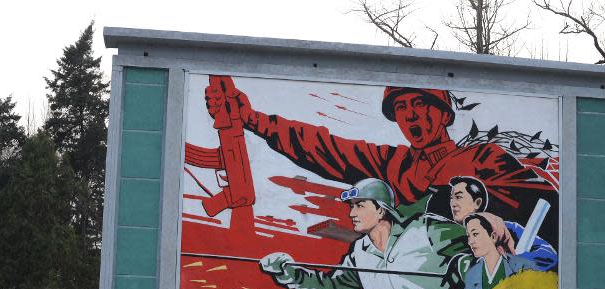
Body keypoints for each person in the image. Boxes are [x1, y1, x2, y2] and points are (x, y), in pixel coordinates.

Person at [204, 81, 554, 218]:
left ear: (445, 114)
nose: (411, 114)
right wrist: (252, 119)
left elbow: (543, 205)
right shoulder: (395, 163)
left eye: (419, 103)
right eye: (401, 108)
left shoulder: (483, 158)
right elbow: (326, 148)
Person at [260, 177, 470, 289]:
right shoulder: (360, 253)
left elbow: (481, 249)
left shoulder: (426, 229)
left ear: (381, 210)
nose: (352, 213)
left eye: (360, 205)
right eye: (352, 206)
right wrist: (289, 273)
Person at [448, 176, 557, 271]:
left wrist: (514, 262)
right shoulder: (442, 230)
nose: (453, 203)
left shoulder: (505, 228)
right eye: (451, 198)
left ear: (477, 203)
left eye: (458, 197)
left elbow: (548, 255)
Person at [462, 213, 539, 289]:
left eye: (475, 234)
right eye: (468, 236)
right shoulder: (472, 274)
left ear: (493, 236)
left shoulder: (523, 267)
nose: (470, 241)